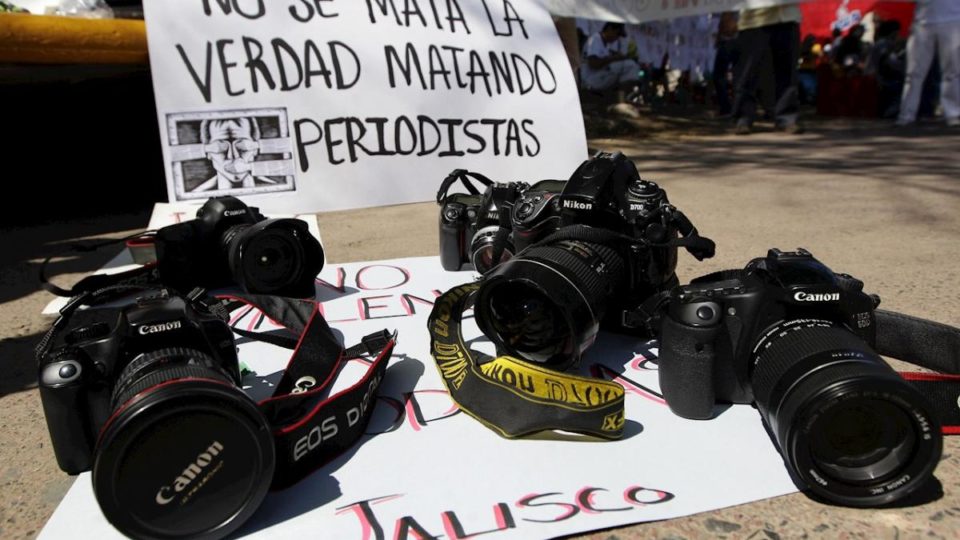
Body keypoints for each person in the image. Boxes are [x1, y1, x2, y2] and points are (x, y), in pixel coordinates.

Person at [731, 3, 803, 134]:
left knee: (787, 72)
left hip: (787, 16)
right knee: (748, 73)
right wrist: (728, 15)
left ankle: (787, 119)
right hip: (754, 20)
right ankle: (743, 118)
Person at [896, 0, 960, 127]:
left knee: (952, 71)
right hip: (922, 22)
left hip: (952, 19)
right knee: (913, 73)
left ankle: (952, 114)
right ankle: (906, 115)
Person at [192, 117, 277, 192]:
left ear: (255, 150)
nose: (233, 156)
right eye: (221, 148)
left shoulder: (275, 188)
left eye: (243, 147)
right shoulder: (195, 196)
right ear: (208, 153)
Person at [580, 22, 641, 100]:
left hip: (596, 78)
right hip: (589, 80)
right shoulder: (595, 39)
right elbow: (593, 64)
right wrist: (614, 58)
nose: (617, 37)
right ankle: (620, 99)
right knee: (629, 65)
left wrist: (618, 57)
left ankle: (620, 97)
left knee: (630, 65)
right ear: (609, 29)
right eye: (617, 34)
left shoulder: (606, 44)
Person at [712, 12, 739, 117]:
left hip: (732, 41)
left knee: (723, 76)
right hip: (726, 41)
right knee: (719, 76)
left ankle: (730, 108)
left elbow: (729, 26)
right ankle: (727, 108)